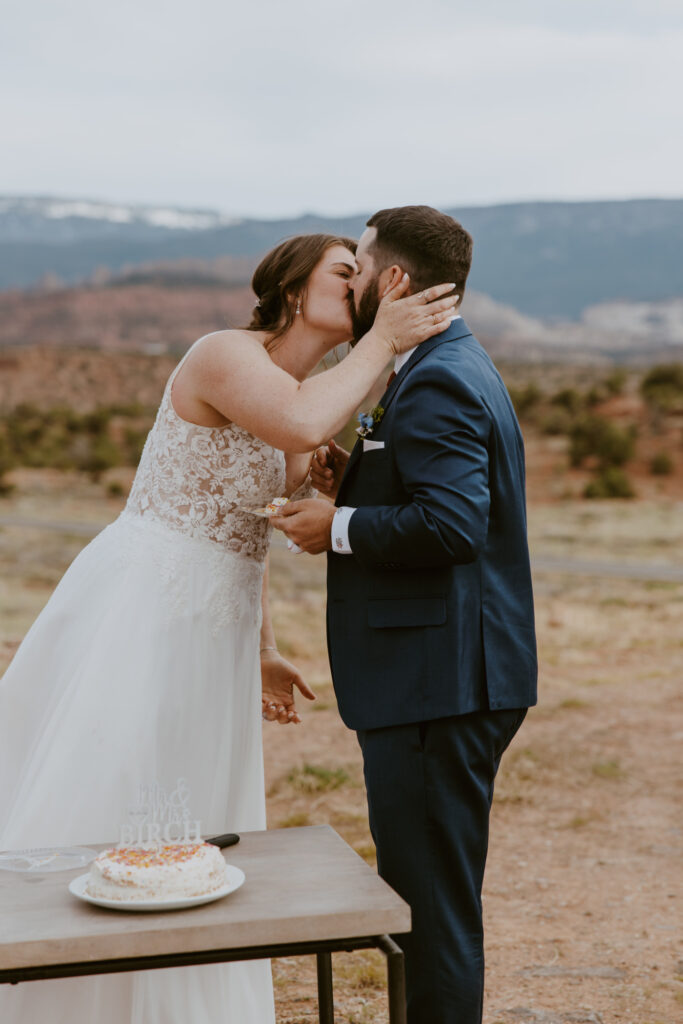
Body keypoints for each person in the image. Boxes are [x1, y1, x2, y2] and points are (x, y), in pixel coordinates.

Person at [0, 231, 458, 1024]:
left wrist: (266, 649)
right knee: (113, 785)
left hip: (216, 623)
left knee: (192, 821)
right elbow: (294, 422)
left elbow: (257, 536)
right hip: (143, 607)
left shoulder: (306, 390)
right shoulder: (224, 355)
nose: (357, 289)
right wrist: (384, 339)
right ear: (290, 291)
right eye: (344, 273)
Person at [272, 206, 538, 1024]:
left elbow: (454, 527)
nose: (350, 282)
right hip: (442, 681)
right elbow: (442, 496)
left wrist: (337, 526)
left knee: (429, 911)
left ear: (393, 280)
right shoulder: (444, 364)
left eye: (358, 266)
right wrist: (355, 479)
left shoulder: (442, 375)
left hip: (439, 686)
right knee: (425, 895)